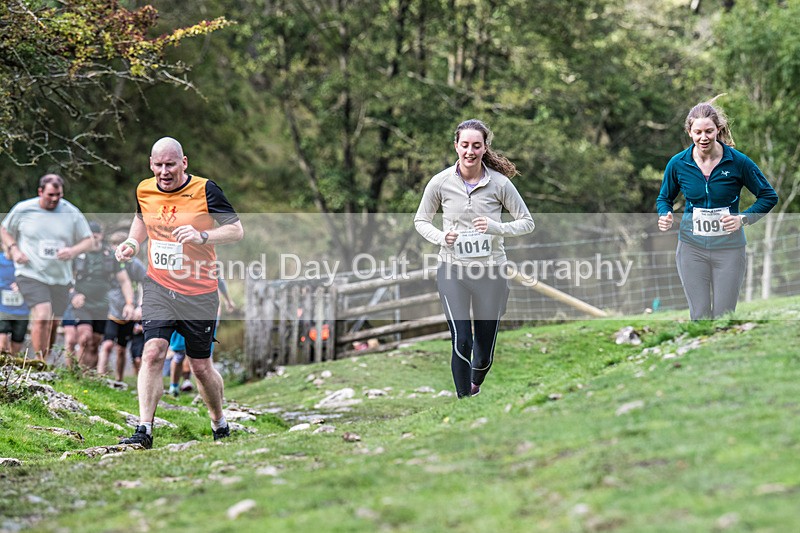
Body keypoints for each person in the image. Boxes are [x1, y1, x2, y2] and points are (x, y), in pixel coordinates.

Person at [115, 137, 244, 449]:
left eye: (170, 164)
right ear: (150, 164)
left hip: (199, 292)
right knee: (153, 352)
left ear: (183, 163)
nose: (164, 171)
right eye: (158, 165)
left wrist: (203, 235)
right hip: (159, 287)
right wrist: (133, 243)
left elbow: (236, 230)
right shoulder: (144, 189)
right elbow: (141, 219)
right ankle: (144, 429)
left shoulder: (205, 190)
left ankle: (218, 421)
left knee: (200, 366)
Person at [414, 119, 534, 398]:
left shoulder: (500, 184)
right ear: (456, 146)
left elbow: (527, 222)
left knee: (483, 356)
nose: (470, 151)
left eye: (476, 146)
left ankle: (475, 384)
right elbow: (421, 220)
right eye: (464, 145)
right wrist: (441, 238)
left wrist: (496, 228)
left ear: (484, 148)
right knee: (461, 340)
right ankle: (463, 401)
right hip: (452, 269)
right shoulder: (440, 182)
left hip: (491, 272)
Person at [657, 95, 778, 320]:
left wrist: (743, 218)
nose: (704, 138)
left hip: (730, 249)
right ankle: (698, 353)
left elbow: (768, 196)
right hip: (691, 248)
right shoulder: (678, 164)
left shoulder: (738, 162)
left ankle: (724, 353)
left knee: (724, 316)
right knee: (700, 315)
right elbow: (664, 198)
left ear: (718, 130)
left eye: (709, 131)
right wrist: (664, 213)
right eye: (698, 132)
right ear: (689, 132)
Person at [1, 174, 94, 361]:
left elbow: (89, 241)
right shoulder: (23, 209)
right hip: (30, 273)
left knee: (53, 322)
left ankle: (45, 358)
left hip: (60, 276)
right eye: (50, 195)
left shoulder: (71, 213)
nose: (54, 199)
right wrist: (14, 249)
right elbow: (4, 229)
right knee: (42, 315)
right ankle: (39, 362)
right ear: (40, 192)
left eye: (58, 195)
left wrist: (72, 251)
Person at [70, 221, 135, 370]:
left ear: (101, 235)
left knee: (94, 343)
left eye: (96, 235)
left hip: (103, 305)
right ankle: (79, 375)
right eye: (90, 236)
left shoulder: (110, 256)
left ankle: (90, 377)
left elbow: (125, 281)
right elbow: (66, 279)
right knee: (84, 338)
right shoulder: (78, 255)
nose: (93, 239)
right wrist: (73, 295)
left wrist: (129, 303)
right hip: (82, 303)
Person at [97, 231, 146, 381]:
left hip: (129, 311)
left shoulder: (135, 265)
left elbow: (145, 283)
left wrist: (140, 306)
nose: (115, 250)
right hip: (111, 309)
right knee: (107, 345)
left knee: (121, 348)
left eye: (118, 246)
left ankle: (119, 379)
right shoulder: (106, 262)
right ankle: (99, 378)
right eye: (113, 246)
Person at [0, 243, 29, 355]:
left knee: (15, 348)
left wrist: (22, 285)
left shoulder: (25, 263)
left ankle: (10, 370)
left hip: (22, 311)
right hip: (2, 309)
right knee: (2, 344)